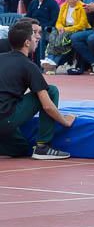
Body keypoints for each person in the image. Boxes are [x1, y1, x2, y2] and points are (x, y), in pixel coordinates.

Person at [0, 20, 75, 159]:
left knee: (20, 148)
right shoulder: (29, 66)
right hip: (5, 118)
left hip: (5, 117)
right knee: (50, 91)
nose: (37, 38)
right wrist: (65, 121)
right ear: (27, 43)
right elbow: (47, 106)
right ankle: (43, 147)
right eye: (35, 36)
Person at [40, 0, 90, 74]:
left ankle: (53, 63)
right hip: (64, 29)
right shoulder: (63, 6)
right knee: (53, 35)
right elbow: (58, 22)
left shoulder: (82, 7)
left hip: (76, 30)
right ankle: (49, 61)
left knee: (61, 40)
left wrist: (67, 29)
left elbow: (82, 25)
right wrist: (60, 28)